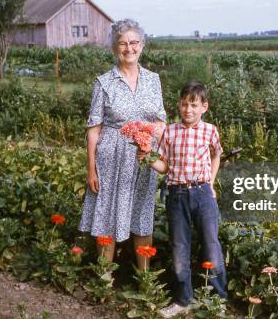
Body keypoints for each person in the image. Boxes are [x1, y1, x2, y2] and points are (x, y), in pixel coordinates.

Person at [78, 19, 166, 270]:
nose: (129, 48)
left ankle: (144, 280)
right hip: (111, 159)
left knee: (142, 215)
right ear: (114, 48)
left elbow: (161, 120)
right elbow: (94, 129)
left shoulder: (153, 80)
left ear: (142, 45)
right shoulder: (104, 82)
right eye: (122, 43)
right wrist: (91, 169)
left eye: (134, 42)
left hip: (143, 159)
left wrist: (153, 135)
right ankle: (104, 278)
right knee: (106, 216)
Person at [140, 81, 227, 318]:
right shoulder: (170, 131)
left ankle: (218, 300)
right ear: (179, 105)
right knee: (179, 247)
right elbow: (165, 166)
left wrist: (210, 181)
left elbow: (216, 154)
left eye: (194, 105)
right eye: (184, 104)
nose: (188, 109)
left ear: (204, 107)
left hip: (202, 194)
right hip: (176, 194)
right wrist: (147, 158)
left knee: (211, 244)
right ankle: (183, 300)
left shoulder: (210, 130)